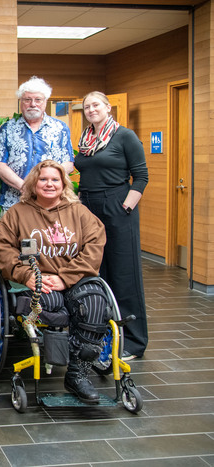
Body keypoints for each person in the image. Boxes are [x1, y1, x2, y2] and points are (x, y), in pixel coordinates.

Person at [0, 160, 107, 403]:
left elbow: (95, 246)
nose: (49, 184)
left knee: (96, 303)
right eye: (43, 179)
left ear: (63, 184)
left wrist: (66, 278)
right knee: (50, 306)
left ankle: (78, 373)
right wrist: (28, 276)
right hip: (39, 279)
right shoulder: (16, 214)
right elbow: (4, 250)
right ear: (33, 184)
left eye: (55, 179)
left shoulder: (79, 213)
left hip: (75, 277)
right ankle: (56, 358)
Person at [75, 91, 149, 361]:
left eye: (96, 105)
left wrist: (125, 207)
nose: (91, 109)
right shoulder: (86, 139)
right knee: (97, 270)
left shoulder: (124, 136)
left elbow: (141, 176)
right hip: (89, 207)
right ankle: (103, 335)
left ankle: (133, 342)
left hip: (117, 205)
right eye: (87, 107)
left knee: (123, 273)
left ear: (108, 107)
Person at [0, 76, 74, 211]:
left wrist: (44, 185)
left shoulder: (60, 128)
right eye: (27, 100)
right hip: (15, 202)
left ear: (45, 101)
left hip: (51, 203)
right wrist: (25, 187)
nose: (33, 104)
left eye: (38, 100)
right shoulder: (8, 128)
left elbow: (69, 163)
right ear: (21, 102)